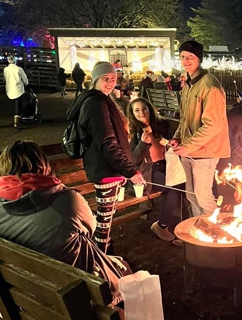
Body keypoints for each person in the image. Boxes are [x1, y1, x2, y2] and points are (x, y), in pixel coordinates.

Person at [0, 140, 129, 305]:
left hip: (25, 294)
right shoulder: (66, 201)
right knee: (123, 268)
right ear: (43, 164)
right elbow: (91, 228)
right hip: (74, 294)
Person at [66, 61, 145, 252]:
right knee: (104, 220)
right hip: (106, 168)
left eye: (113, 79)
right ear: (95, 80)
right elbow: (107, 141)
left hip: (108, 168)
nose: (110, 82)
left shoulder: (101, 99)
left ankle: (102, 253)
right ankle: (101, 257)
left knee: (105, 217)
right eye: (106, 79)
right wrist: (130, 170)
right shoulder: (95, 103)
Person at [170, 40, 230, 217]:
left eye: (190, 56)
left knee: (203, 196)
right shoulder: (189, 85)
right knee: (191, 195)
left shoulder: (210, 85)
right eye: (182, 57)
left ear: (199, 59)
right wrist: (177, 138)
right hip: (189, 149)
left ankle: (219, 231)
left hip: (206, 150)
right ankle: (200, 229)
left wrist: (189, 146)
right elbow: (185, 119)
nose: (186, 60)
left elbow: (213, 125)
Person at [128, 97, 183, 242]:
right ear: (132, 113)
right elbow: (132, 160)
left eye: (144, 108)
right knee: (174, 186)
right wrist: (142, 144)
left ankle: (184, 222)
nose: (141, 112)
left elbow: (171, 142)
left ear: (149, 109)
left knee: (183, 182)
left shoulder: (161, 125)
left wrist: (172, 143)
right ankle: (161, 225)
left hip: (166, 165)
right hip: (147, 171)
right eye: (137, 110)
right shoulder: (132, 132)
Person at [3, 55, 28, 129]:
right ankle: (17, 122)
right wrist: (26, 84)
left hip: (9, 89)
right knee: (19, 106)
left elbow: (4, 79)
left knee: (16, 105)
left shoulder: (5, 69)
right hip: (18, 89)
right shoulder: (19, 69)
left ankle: (18, 120)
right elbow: (25, 79)